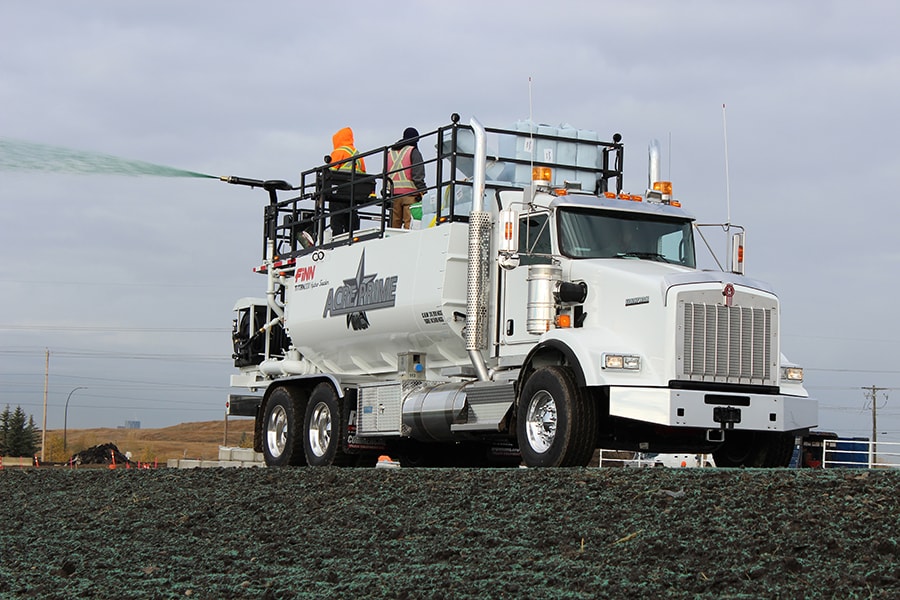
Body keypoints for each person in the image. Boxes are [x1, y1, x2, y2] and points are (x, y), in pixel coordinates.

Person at [327, 127, 366, 235]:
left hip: (340, 192)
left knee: (337, 219)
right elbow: (364, 173)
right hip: (354, 193)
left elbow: (330, 172)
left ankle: (337, 239)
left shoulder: (339, 152)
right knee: (351, 217)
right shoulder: (358, 154)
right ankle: (352, 236)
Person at [387, 127, 427, 229]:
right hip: (410, 195)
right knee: (409, 226)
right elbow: (418, 175)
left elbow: (385, 174)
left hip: (393, 195)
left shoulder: (390, 152)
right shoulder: (413, 151)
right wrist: (423, 191)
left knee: (393, 226)